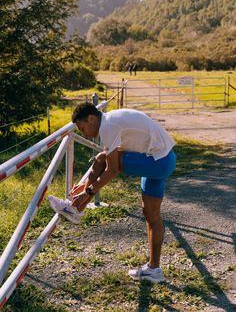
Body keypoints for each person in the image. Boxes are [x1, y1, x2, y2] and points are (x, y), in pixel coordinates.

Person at [49, 103, 176, 283]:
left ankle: (76, 209)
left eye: (82, 128)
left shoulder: (107, 126)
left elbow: (112, 169)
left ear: (92, 119)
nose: (84, 133)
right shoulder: (110, 120)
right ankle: (154, 269)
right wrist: (86, 186)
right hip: (164, 159)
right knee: (151, 215)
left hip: (156, 161)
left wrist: (89, 192)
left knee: (102, 159)